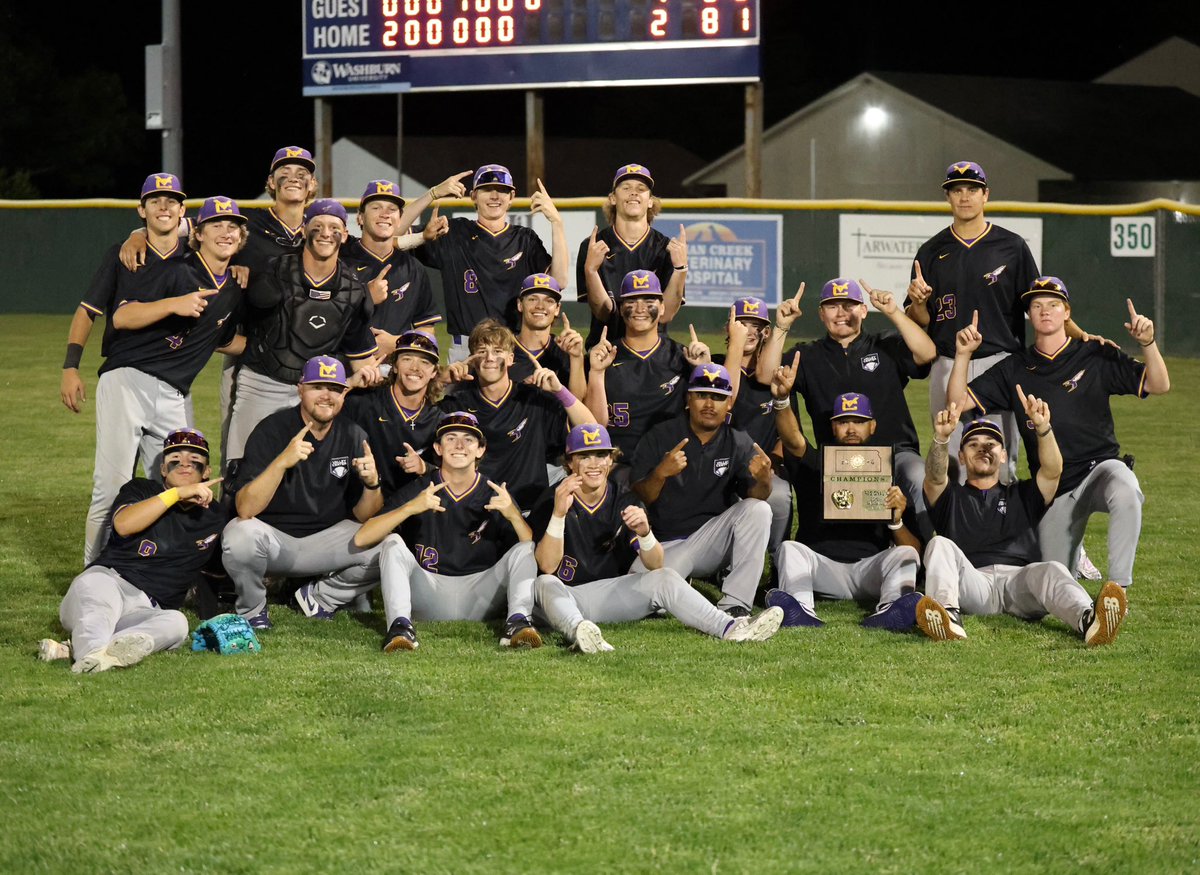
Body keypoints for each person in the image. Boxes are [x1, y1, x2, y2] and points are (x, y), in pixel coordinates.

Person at [947, 276, 1170, 588]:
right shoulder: (1015, 368)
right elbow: (956, 403)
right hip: (1054, 488)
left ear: (1067, 313)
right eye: (1037, 305)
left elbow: (1158, 385)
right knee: (1053, 579)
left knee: (1126, 489)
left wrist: (1147, 343)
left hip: (1100, 470)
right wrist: (962, 355)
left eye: (1054, 304)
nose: (1045, 310)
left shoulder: (1094, 355)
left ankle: (1118, 588)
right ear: (1029, 315)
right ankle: (1073, 554)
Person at [82, 194, 247, 563]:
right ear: (198, 234)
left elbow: (224, 340)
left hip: (174, 394)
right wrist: (173, 303)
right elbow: (122, 318)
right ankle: (93, 571)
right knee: (111, 488)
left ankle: (159, 570)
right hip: (129, 379)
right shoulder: (177, 271)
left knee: (181, 484)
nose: (226, 232)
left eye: (233, 226)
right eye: (216, 225)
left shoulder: (234, 285)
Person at [531, 424, 783, 652]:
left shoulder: (624, 498)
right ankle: (581, 633)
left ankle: (731, 628)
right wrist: (558, 514)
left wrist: (645, 534)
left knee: (664, 578)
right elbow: (547, 566)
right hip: (562, 598)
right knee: (545, 584)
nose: (594, 463)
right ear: (569, 463)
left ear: (610, 460)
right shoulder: (553, 498)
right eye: (584, 456)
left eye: (600, 455)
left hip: (609, 595)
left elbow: (655, 565)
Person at [917, 404, 1128, 646]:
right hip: (973, 583)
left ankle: (1090, 621)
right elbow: (934, 476)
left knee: (1052, 569)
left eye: (991, 444)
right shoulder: (949, 497)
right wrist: (942, 438)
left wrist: (1043, 429)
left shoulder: (1022, 494)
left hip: (1020, 584)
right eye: (973, 445)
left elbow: (1052, 471)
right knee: (939, 544)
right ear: (961, 457)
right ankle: (947, 617)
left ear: (1004, 455)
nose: (983, 448)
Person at [757, 278, 936, 539]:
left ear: (863, 311)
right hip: (837, 461)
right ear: (821, 314)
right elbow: (764, 375)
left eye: (849, 305)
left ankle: (930, 555)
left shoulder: (885, 345)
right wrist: (782, 327)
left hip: (895, 452)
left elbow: (927, 353)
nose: (841, 313)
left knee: (918, 473)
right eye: (832, 306)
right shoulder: (808, 356)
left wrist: (893, 312)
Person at [353, 412, 541, 651]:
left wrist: (514, 515)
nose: (460, 445)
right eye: (451, 438)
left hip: (480, 594)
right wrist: (410, 508)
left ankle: (517, 622)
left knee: (525, 548)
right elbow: (362, 537)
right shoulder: (420, 489)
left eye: (469, 439)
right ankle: (400, 627)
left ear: (480, 450)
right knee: (392, 543)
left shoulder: (495, 493)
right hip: (428, 590)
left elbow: (530, 551)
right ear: (438, 448)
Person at [40, 429, 225, 673]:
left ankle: (85, 652)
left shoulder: (214, 516)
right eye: (176, 459)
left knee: (177, 624)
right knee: (100, 603)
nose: (184, 464)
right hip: (107, 582)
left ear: (207, 472)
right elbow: (124, 524)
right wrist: (177, 494)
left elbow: (218, 571)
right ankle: (92, 656)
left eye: (194, 460)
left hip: (148, 610)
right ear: (162, 469)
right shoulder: (141, 489)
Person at [222, 356, 384, 629]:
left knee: (388, 545)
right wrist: (281, 462)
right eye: (317, 387)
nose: (326, 395)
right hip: (276, 542)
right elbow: (245, 509)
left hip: (326, 543)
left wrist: (372, 484)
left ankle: (319, 597)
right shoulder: (272, 430)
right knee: (239, 536)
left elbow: (363, 515)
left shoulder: (354, 435)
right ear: (300, 389)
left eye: (334, 388)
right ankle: (252, 611)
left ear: (344, 394)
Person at [904, 161, 1041, 476]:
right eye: (956, 190)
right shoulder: (931, 251)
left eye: (972, 189)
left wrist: (1074, 335)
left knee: (999, 461)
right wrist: (917, 302)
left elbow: (1036, 306)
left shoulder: (1012, 246)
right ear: (948, 197)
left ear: (985, 195)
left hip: (1000, 363)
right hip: (948, 364)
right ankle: (950, 524)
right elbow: (919, 320)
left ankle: (1001, 522)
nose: (964, 197)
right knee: (949, 460)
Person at [225, 199, 380, 474]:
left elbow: (361, 358)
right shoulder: (272, 273)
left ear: (345, 235)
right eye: (317, 225)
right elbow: (223, 331)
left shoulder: (354, 292)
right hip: (262, 384)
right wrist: (253, 350)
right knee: (242, 469)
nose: (325, 233)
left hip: (315, 393)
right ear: (305, 229)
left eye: (334, 227)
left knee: (307, 475)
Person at [763, 367, 923, 630]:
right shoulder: (816, 463)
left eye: (859, 421)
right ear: (832, 427)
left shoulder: (887, 470)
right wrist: (782, 400)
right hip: (821, 569)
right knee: (789, 550)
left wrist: (896, 523)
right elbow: (792, 441)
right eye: (843, 421)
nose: (851, 429)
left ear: (872, 426)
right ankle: (801, 609)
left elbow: (915, 551)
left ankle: (892, 608)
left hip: (869, 571)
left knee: (904, 553)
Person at [630, 364, 775, 617]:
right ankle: (679, 584)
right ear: (688, 399)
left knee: (759, 509)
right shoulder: (661, 435)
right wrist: (660, 473)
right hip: (666, 544)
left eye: (718, 397)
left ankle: (736, 604)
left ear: (729, 404)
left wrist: (764, 481)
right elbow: (642, 495)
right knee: (643, 598)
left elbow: (755, 500)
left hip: (711, 541)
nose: (709, 404)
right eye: (702, 394)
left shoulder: (737, 440)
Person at [61, 172, 191, 419]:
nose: (164, 207)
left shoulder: (194, 257)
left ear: (182, 209)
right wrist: (70, 366)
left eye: (171, 201)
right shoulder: (120, 255)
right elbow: (88, 310)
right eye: (155, 201)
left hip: (175, 379)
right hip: (125, 373)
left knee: (178, 457)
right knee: (117, 460)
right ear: (141, 210)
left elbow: (224, 233)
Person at [440, 318, 597, 511]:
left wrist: (559, 390)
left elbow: (591, 429)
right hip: (476, 510)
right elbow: (415, 417)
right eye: (482, 352)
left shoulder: (532, 399)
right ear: (472, 359)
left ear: (510, 359)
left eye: (497, 351)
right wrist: (440, 380)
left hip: (529, 509)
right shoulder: (457, 404)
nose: (489, 358)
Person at [416, 164, 568, 361]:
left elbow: (560, 281)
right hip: (466, 349)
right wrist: (433, 193)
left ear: (511, 198)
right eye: (487, 189)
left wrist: (557, 223)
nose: (495, 196)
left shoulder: (525, 239)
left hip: (512, 346)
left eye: (503, 191)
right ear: (473, 196)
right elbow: (396, 233)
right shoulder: (453, 232)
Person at [583, 269, 711, 466]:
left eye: (648, 302)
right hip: (615, 465)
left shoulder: (683, 358)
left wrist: (704, 371)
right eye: (631, 302)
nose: (640, 308)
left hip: (671, 464)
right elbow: (592, 426)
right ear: (621, 307)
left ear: (661, 308)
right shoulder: (601, 358)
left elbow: (711, 418)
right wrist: (597, 373)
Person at [576, 163, 688, 346]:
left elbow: (665, 315)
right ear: (612, 198)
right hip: (604, 348)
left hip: (653, 352)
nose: (634, 193)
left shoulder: (666, 248)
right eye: (626, 188)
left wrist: (680, 269)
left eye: (641, 189)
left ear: (650, 200)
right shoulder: (593, 246)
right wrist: (591, 271)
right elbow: (603, 313)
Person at [716, 297, 791, 552]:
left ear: (766, 332)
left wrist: (774, 463)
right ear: (728, 328)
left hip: (762, 465)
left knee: (780, 495)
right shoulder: (713, 366)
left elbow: (788, 434)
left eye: (754, 325)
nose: (748, 330)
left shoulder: (776, 376)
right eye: (740, 323)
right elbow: (725, 400)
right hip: (718, 462)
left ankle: (776, 557)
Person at [341, 179, 443, 358]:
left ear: (399, 219)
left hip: (395, 371)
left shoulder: (413, 268)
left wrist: (397, 343)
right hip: (346, 368)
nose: (385, 214)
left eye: (392, 209)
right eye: (376, 207)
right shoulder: (340, 260)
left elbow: (426, 330)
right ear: (360, 217)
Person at [343, 329, 445, 501]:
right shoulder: (364, 403)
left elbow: (453, 475)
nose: (415, 368)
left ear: (434, 372)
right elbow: (317, 411)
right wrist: (349, 384)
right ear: (395, 366)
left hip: (411, 511)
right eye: (407, 359)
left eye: (424, 362)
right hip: (361, 504)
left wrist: (424, 467)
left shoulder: (438, 421)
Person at [506, 273, 586, 400]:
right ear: (520, 305)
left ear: (557, 308)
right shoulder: (502, 348)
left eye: (549, 301)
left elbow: (577, 400)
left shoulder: (566, 351)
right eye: (532, 299)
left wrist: (576, 357)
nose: (540, 306)